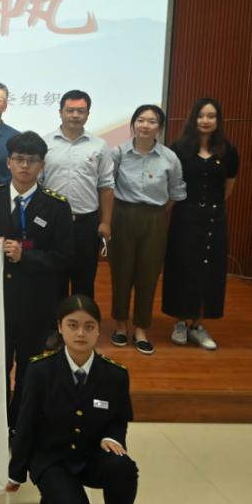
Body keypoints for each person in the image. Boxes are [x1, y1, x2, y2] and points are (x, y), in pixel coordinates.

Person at [6, 294, 138, 504]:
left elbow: (120, 418)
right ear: (60, 327)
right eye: (72, 325)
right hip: (51, 457)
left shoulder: (115, 375)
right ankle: (53, 498)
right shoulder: (40, 371)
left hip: (91, 455)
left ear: (98, 330)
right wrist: (16, 472)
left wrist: (112, 437)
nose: (80, 333)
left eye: (89, 327)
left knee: (124, 468)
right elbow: (26, 424)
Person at [0, 131, 73, 426]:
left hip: (35, 303)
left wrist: (25, 256)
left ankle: (22, 424)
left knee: (30, 367)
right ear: (8, 163)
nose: (25, 166)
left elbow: (64, 257)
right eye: (19, 159)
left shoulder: (56, 205)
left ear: (42, 165)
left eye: (32, 160)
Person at [108, 104, 186, 356]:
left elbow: (176, 193)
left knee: (148, 275)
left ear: (160, 128)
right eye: (140, 120)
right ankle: (121, 325)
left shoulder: (169, 158)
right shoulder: (118, 153)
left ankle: (141, 328)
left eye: (152, 121)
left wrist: (157, 212)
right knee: (121, 273)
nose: (145, 125)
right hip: (122, 215)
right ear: (133, 124)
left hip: (154, 218)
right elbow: (107, 186)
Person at [163, 98, 240, 350]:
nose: (205, 121)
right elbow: (171, 185)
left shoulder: (227, 150)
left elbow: (228, 188)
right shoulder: (179, 149)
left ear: (218, 120)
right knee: (182, 267)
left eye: (211, 116)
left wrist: (211, 209)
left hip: (214, 220)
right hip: (185, 217)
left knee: (210, 269)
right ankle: (180, 322)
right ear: (193, 118)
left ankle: (197, 324)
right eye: (201, 115)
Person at [41, 90, 115, 349]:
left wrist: (105, 222)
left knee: (84, 281)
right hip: (53, 225)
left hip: (86, 222)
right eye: (70, 110)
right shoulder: (45, 143)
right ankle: (56, 329)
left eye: (80, 111)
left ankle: (84, 329)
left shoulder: (99, 146)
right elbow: (38, 185)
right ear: (60, 112)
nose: (74, 115)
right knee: (55, 281)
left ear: (88, 114)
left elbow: (106, 186)